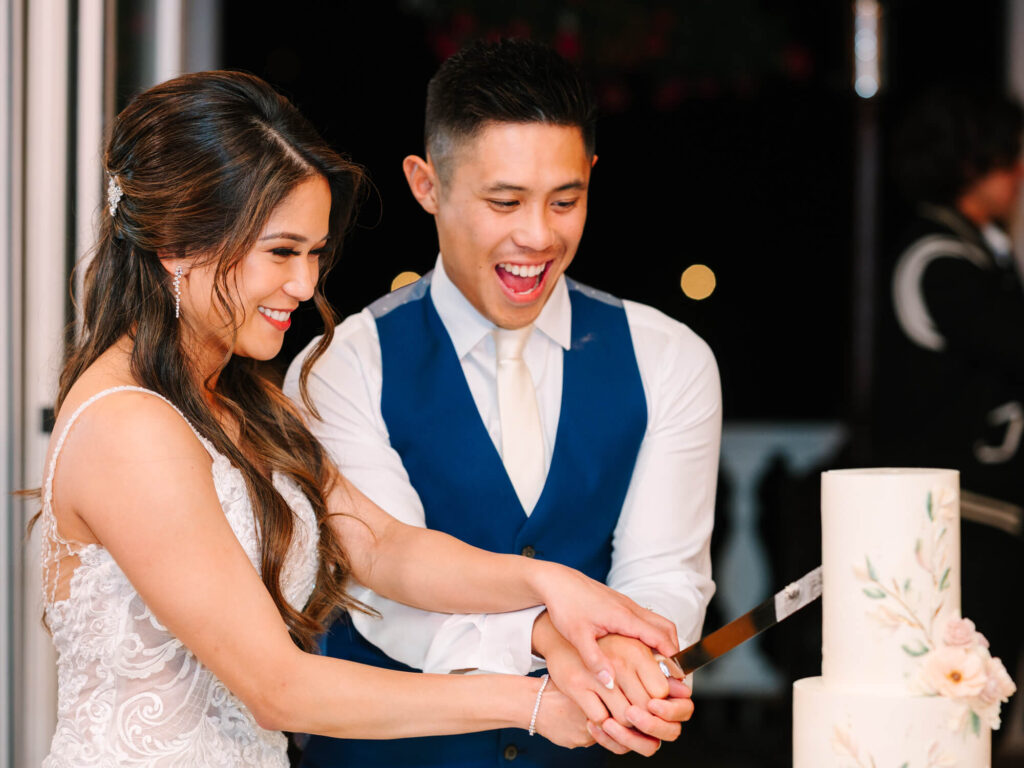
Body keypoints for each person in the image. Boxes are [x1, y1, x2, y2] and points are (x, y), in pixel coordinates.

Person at [37, 70, 684, 768]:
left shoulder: (240, 400)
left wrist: (553, 586)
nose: (306, 285)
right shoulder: (129, 427)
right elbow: (279, 689)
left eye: (314, 253)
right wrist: (528, 703)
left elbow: (381, 547)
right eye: (281, 252)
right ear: (176, 244)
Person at [286, 39, 721, 767]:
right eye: (504, 201)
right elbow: (387, 593)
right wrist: (549, 633)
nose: (537, 236)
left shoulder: (670, 358)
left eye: (565, 199)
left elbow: (666, 573)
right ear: (426, 185)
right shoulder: (339, 368)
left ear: (590, 177)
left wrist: (626, 652)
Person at [871, 87, 1024, 749]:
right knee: (960, 717)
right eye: (1008, 159)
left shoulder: (970, 252)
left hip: (982, 518)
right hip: (956, 526)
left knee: (979, 709)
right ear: (972, 163)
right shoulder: (939, 261)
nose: (1017, 175)